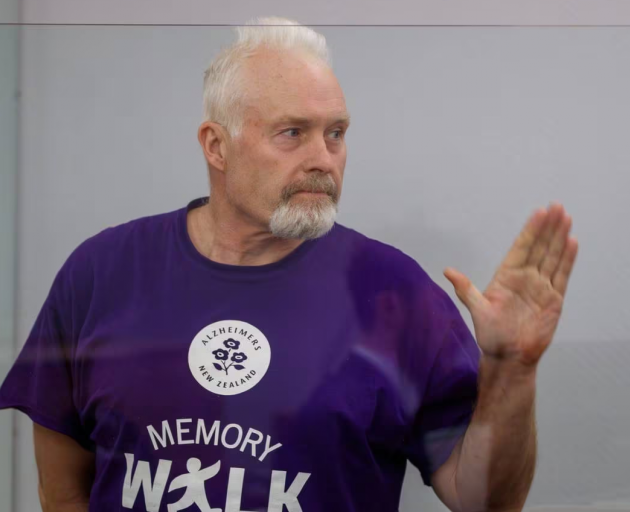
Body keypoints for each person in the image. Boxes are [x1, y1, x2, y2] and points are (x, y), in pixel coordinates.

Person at [0, 15, 579, 512]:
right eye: (291, 133)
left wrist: (512, 369)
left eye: (336, 133)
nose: (322, 159)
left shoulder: (398, 297)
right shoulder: (100, 275)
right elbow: (63, 492)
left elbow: (486, 501)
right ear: (216, 145)